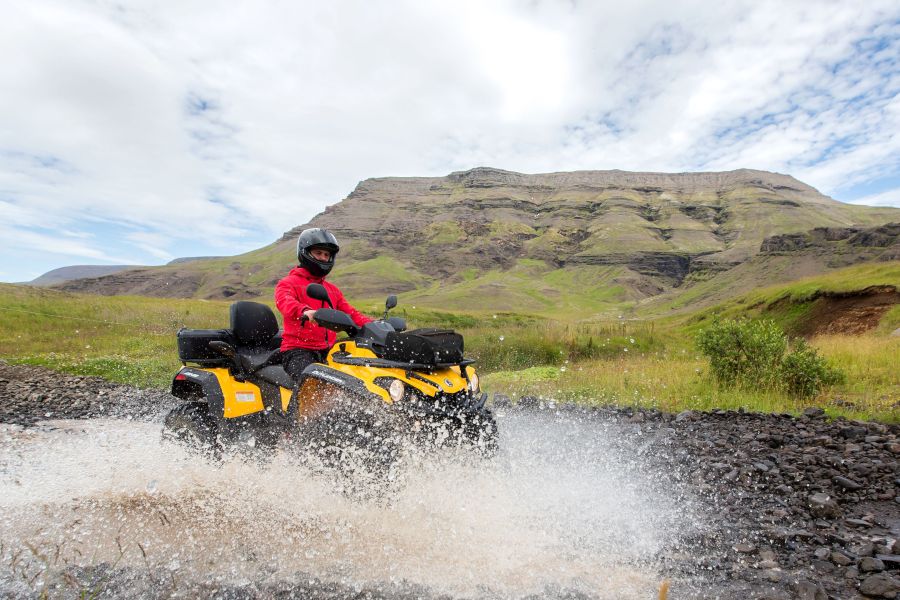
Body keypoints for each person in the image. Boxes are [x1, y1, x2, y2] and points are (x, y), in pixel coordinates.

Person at [275, 228, 372, 382]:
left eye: (327, 255)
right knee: (313, 386)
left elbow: (351, 313)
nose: (323, 258)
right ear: (305, 253)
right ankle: (295, 407)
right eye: (318, 253)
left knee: (358, 380)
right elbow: (285, 302)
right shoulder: (288, 283)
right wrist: (305, 311)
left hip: (329, 350)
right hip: (298, 351)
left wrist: (374, 326)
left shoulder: (332, 290)